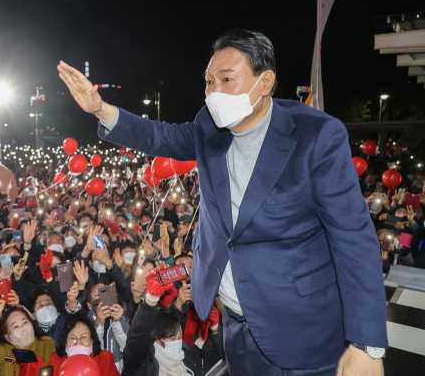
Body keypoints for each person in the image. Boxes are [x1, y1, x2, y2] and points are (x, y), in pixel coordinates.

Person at [58, 28, 387, 375]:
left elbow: (354, 238)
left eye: (226, 79)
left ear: (265, 82)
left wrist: (367, 345)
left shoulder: (317, 135)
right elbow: (158, 135)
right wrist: (101, 110)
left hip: (302, 331)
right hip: (234, 329)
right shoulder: (208, 127)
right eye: (209, 81)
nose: (214, 92)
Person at [122, 263, 201, 376]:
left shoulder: (187, 356)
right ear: (155, 339)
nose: (177, 342)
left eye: (180, 337)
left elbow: (169, 323)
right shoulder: (143, 364)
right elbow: (138, 337)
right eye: (172, 338)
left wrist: (179, 302)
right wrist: (151, 298)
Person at [0, 299, 56, 376]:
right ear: (7, 336)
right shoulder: (5, 352)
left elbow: (54, 368)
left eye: (25, 322)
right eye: (15, 326)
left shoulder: (46, 343)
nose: (22, 327)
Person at [49, 314, 120, 376]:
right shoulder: (55, 359)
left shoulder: (105, 359)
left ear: (92, 340)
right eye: (72, 338)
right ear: (65, 341)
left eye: (83, 337)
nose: (78, 342)